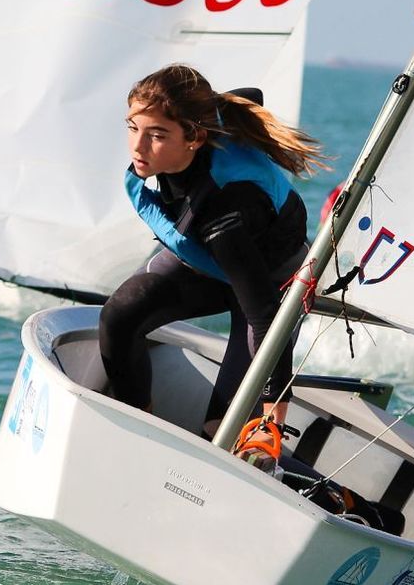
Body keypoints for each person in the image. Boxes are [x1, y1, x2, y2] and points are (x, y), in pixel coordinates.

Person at [100, 64, 323, 467]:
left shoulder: (225, 208)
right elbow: (250, 90)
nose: (138, 147)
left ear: (194, 138)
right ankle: (139, 433)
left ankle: (347, 504)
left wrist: (272, 412)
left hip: (267, 284)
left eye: (157, 135)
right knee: (119, 317)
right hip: (204, 266)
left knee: (222, 428)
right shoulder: (186, 136)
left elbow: (264, 316)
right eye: (133, 128)